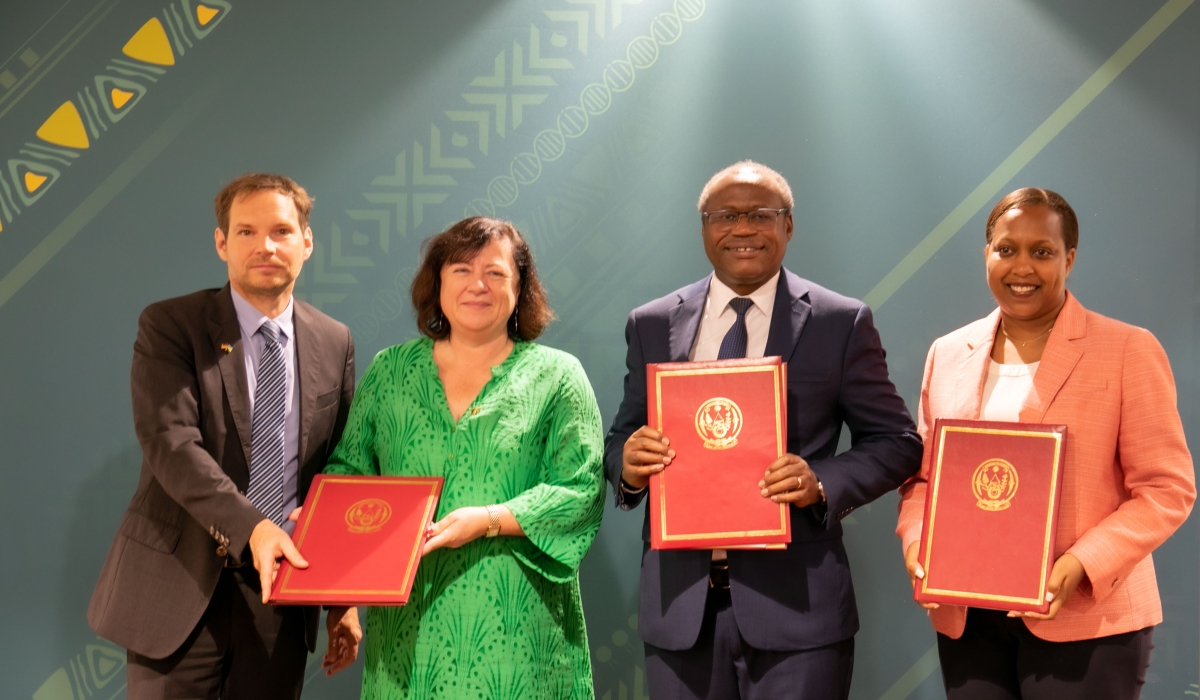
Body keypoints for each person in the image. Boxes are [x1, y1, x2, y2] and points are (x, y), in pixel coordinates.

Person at [605, 160, 923, 699]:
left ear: (789, 226)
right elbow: (621, 438)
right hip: (680, 610)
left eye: (761, 215)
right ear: (705, 226)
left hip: (799, 611)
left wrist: (821, 482)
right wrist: (628, 466)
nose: (744, 228)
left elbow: (897, 443)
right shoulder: (652, 323)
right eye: (726, 215)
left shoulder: (839, 321)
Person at [895, 188, 1196, 699]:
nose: (1022, 267)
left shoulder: (1127, 349)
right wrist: (918, 542)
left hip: (1086, 618)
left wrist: (1080, 564)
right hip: (969, 617)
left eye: (1042, 251)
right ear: (986, 254)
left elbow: (1167, 489)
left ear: (1069, 259)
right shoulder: (947, 353)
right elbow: (924, 479)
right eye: (1006, 249)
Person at [87, 173, 362, 699]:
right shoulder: (171, 324)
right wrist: (253, 527)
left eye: (281, 231)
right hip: (177, 591)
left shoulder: (335, 340)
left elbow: (335, 471)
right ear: (221, 243)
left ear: (307, 242)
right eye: (246, 232)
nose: (265, 246)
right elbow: (171, 444)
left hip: (282, 597)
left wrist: (341, 599)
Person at [323, 216, 605, 699]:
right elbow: (348, 477)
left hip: (519, 635)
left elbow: (581, 490)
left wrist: (491, 518)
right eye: (461, 270)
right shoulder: (389, 371)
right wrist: (340, 600)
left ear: (520, 288)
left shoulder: (558, 376)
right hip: (407, 629)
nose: (478, 285)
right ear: (437, 283)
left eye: (495, 273)